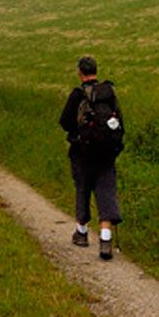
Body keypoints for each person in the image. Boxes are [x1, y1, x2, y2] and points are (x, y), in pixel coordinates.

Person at [58, 55, 123, 261]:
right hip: (106, 154)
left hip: (82, 153)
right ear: (96, 70)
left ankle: (82, 233)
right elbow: (121, 123)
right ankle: (105, 239)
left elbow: (65, 122)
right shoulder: (109, 93)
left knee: (83, 189)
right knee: (106, 191)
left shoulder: (78, 95)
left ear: (80, 72)